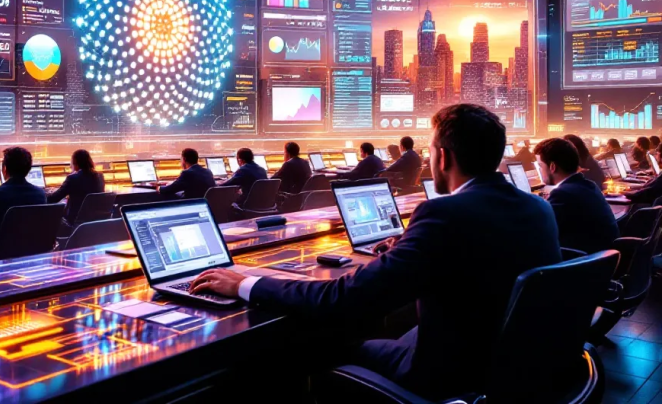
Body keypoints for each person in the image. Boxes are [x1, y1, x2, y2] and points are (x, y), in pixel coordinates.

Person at [190, 104, 561, 400]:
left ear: (444, 158)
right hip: (515, 365)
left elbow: (344, 298)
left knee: (311, 347)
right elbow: (472, 260)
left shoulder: (443, 214)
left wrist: (246, 283)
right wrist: (408, 249)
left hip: (446, 372)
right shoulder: (537, 207)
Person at [534, 139, 618, 254]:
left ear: (552, 166)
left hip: (582, 261)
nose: (540, 171)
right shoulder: (589, 185)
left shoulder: (562, 194)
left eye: (540, 166)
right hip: (603, 258)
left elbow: (540, 230)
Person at [48, 149, 105, 225]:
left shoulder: (72, 178)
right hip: (95, 221)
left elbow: (54, 198)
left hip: (75, 221)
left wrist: (44, 193)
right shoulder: (100, 176)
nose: (70, 166)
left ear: (76, 163)